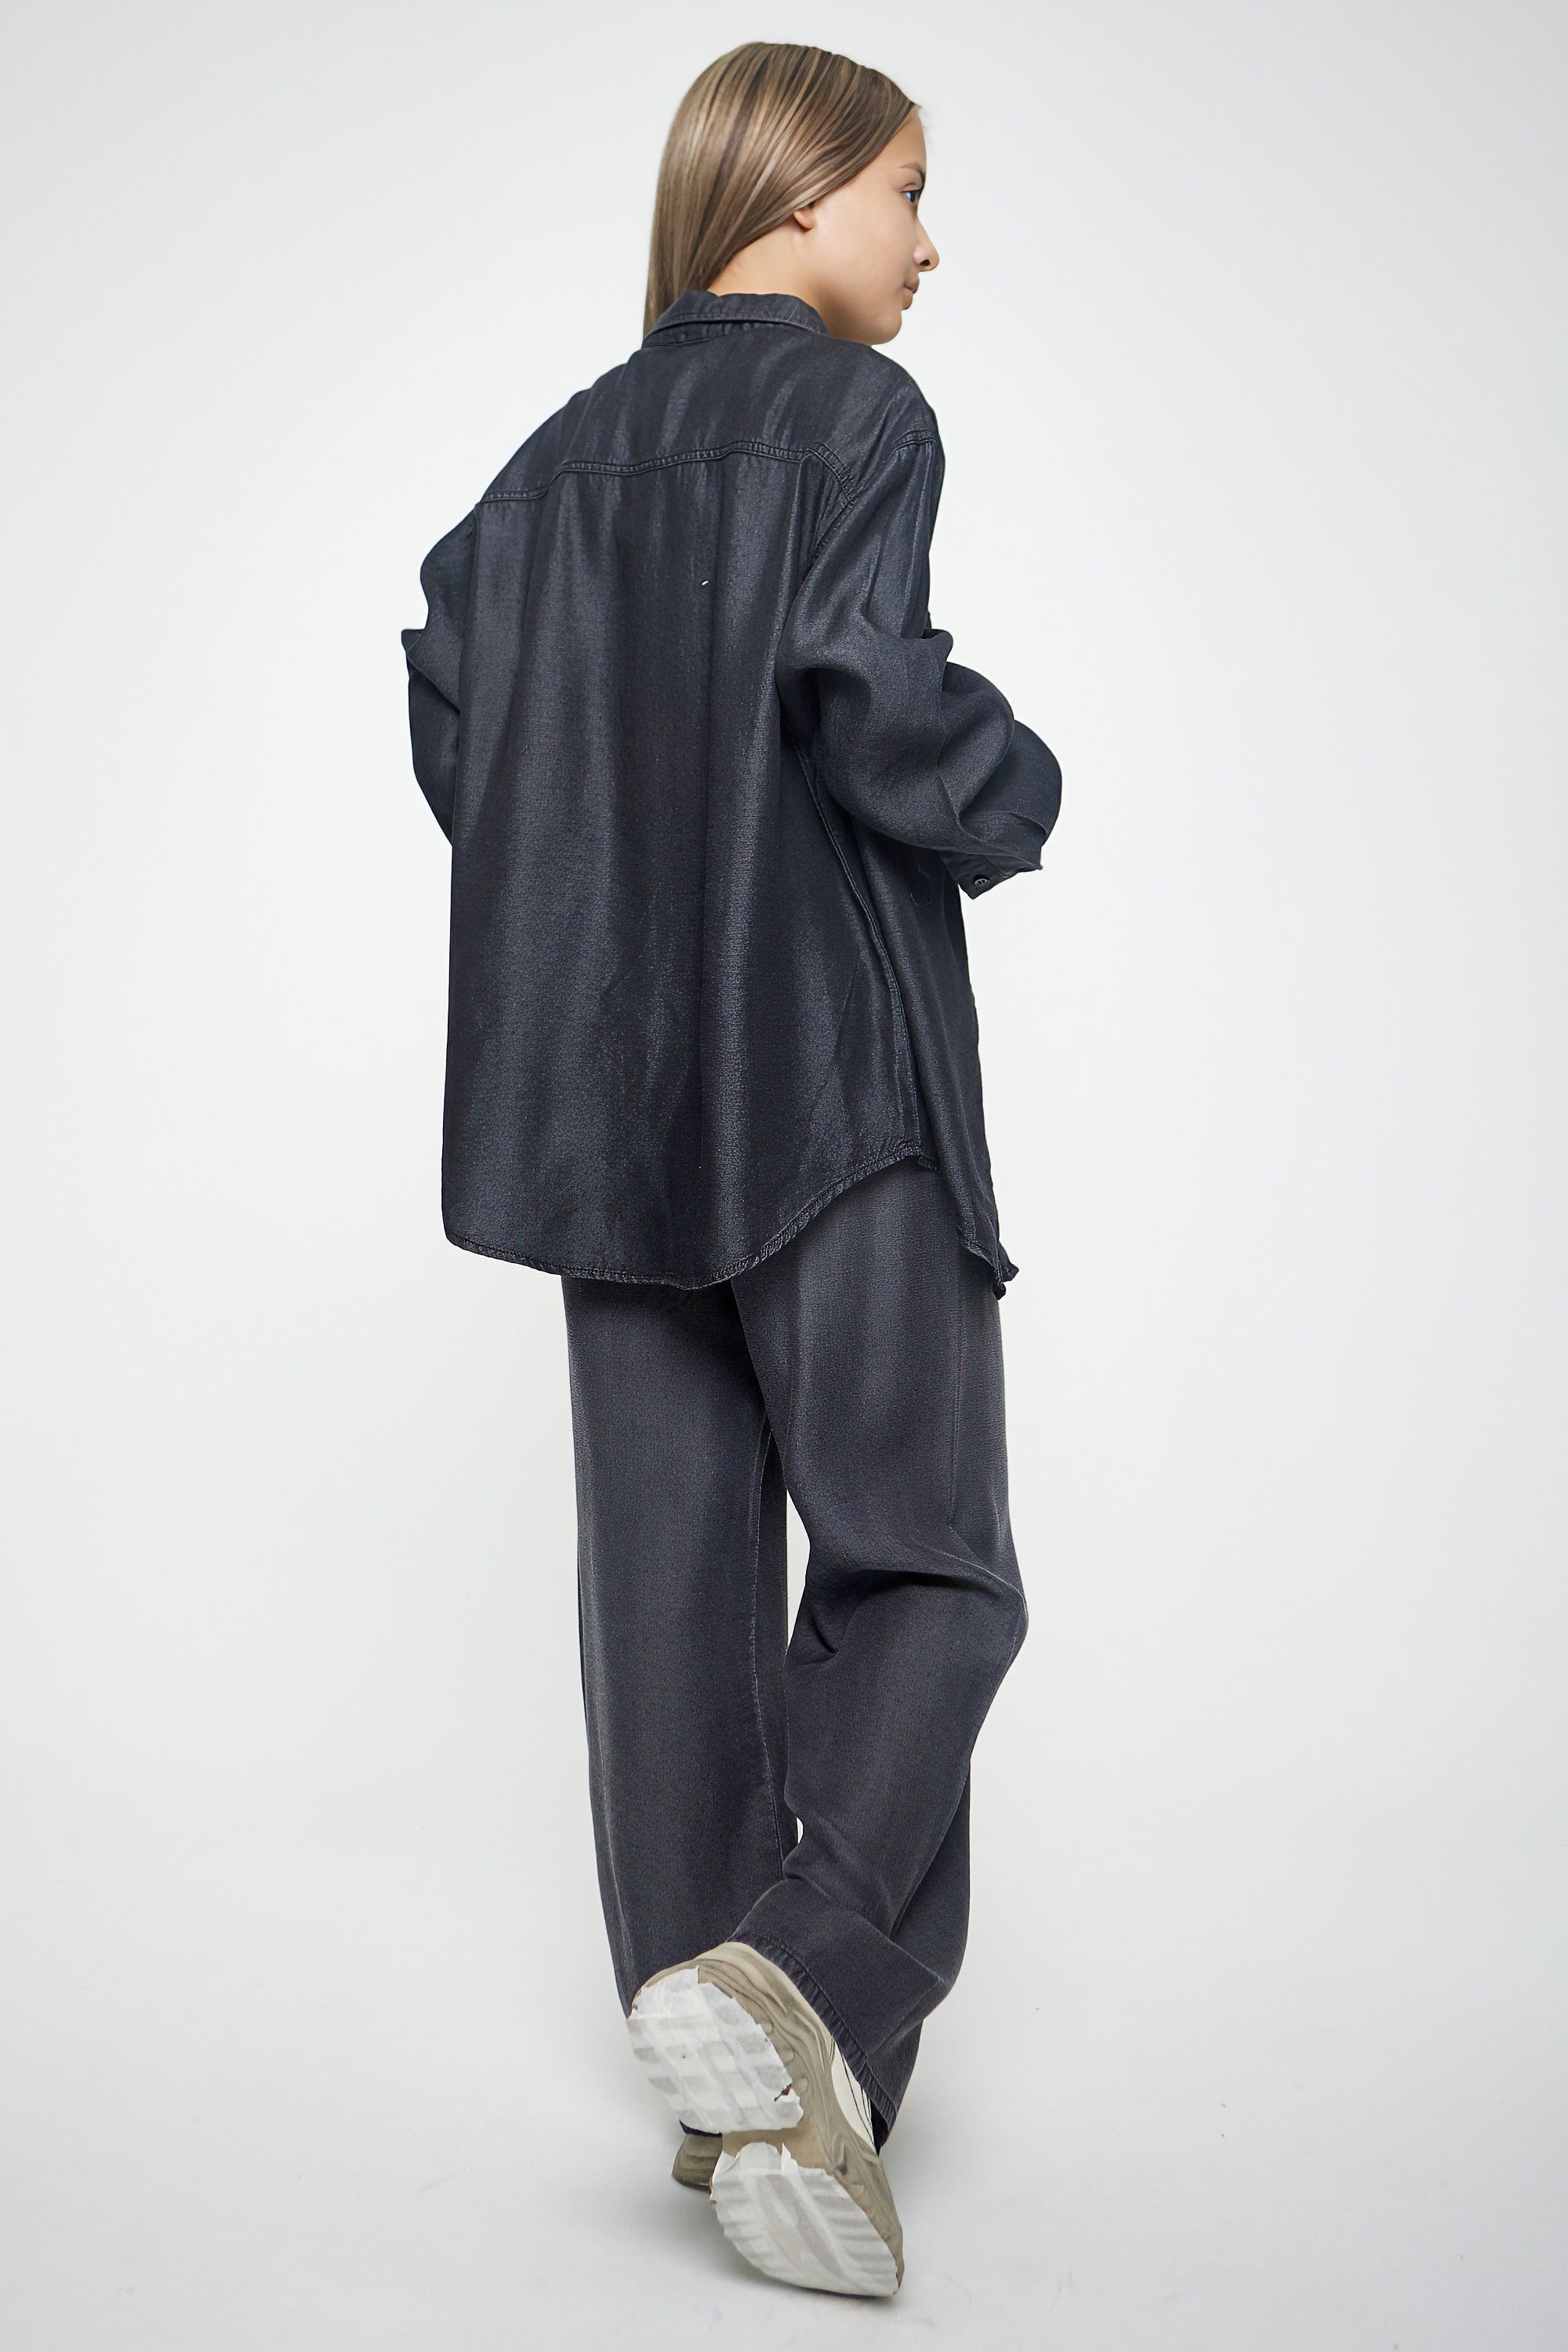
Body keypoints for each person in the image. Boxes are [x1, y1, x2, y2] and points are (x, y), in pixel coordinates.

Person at [400, 40, 1063, 2300]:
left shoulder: (550, 463)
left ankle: (750, 2098)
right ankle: (804, 1972)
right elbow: (867, 694)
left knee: (670, 1599)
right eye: (906, 189)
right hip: (832, 1086)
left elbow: (456, 709)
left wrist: (595, 861)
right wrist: (1016, 782)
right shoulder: (858, 416)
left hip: (603, 1111)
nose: (927, 240)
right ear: (792, 199)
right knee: (930, 1561)